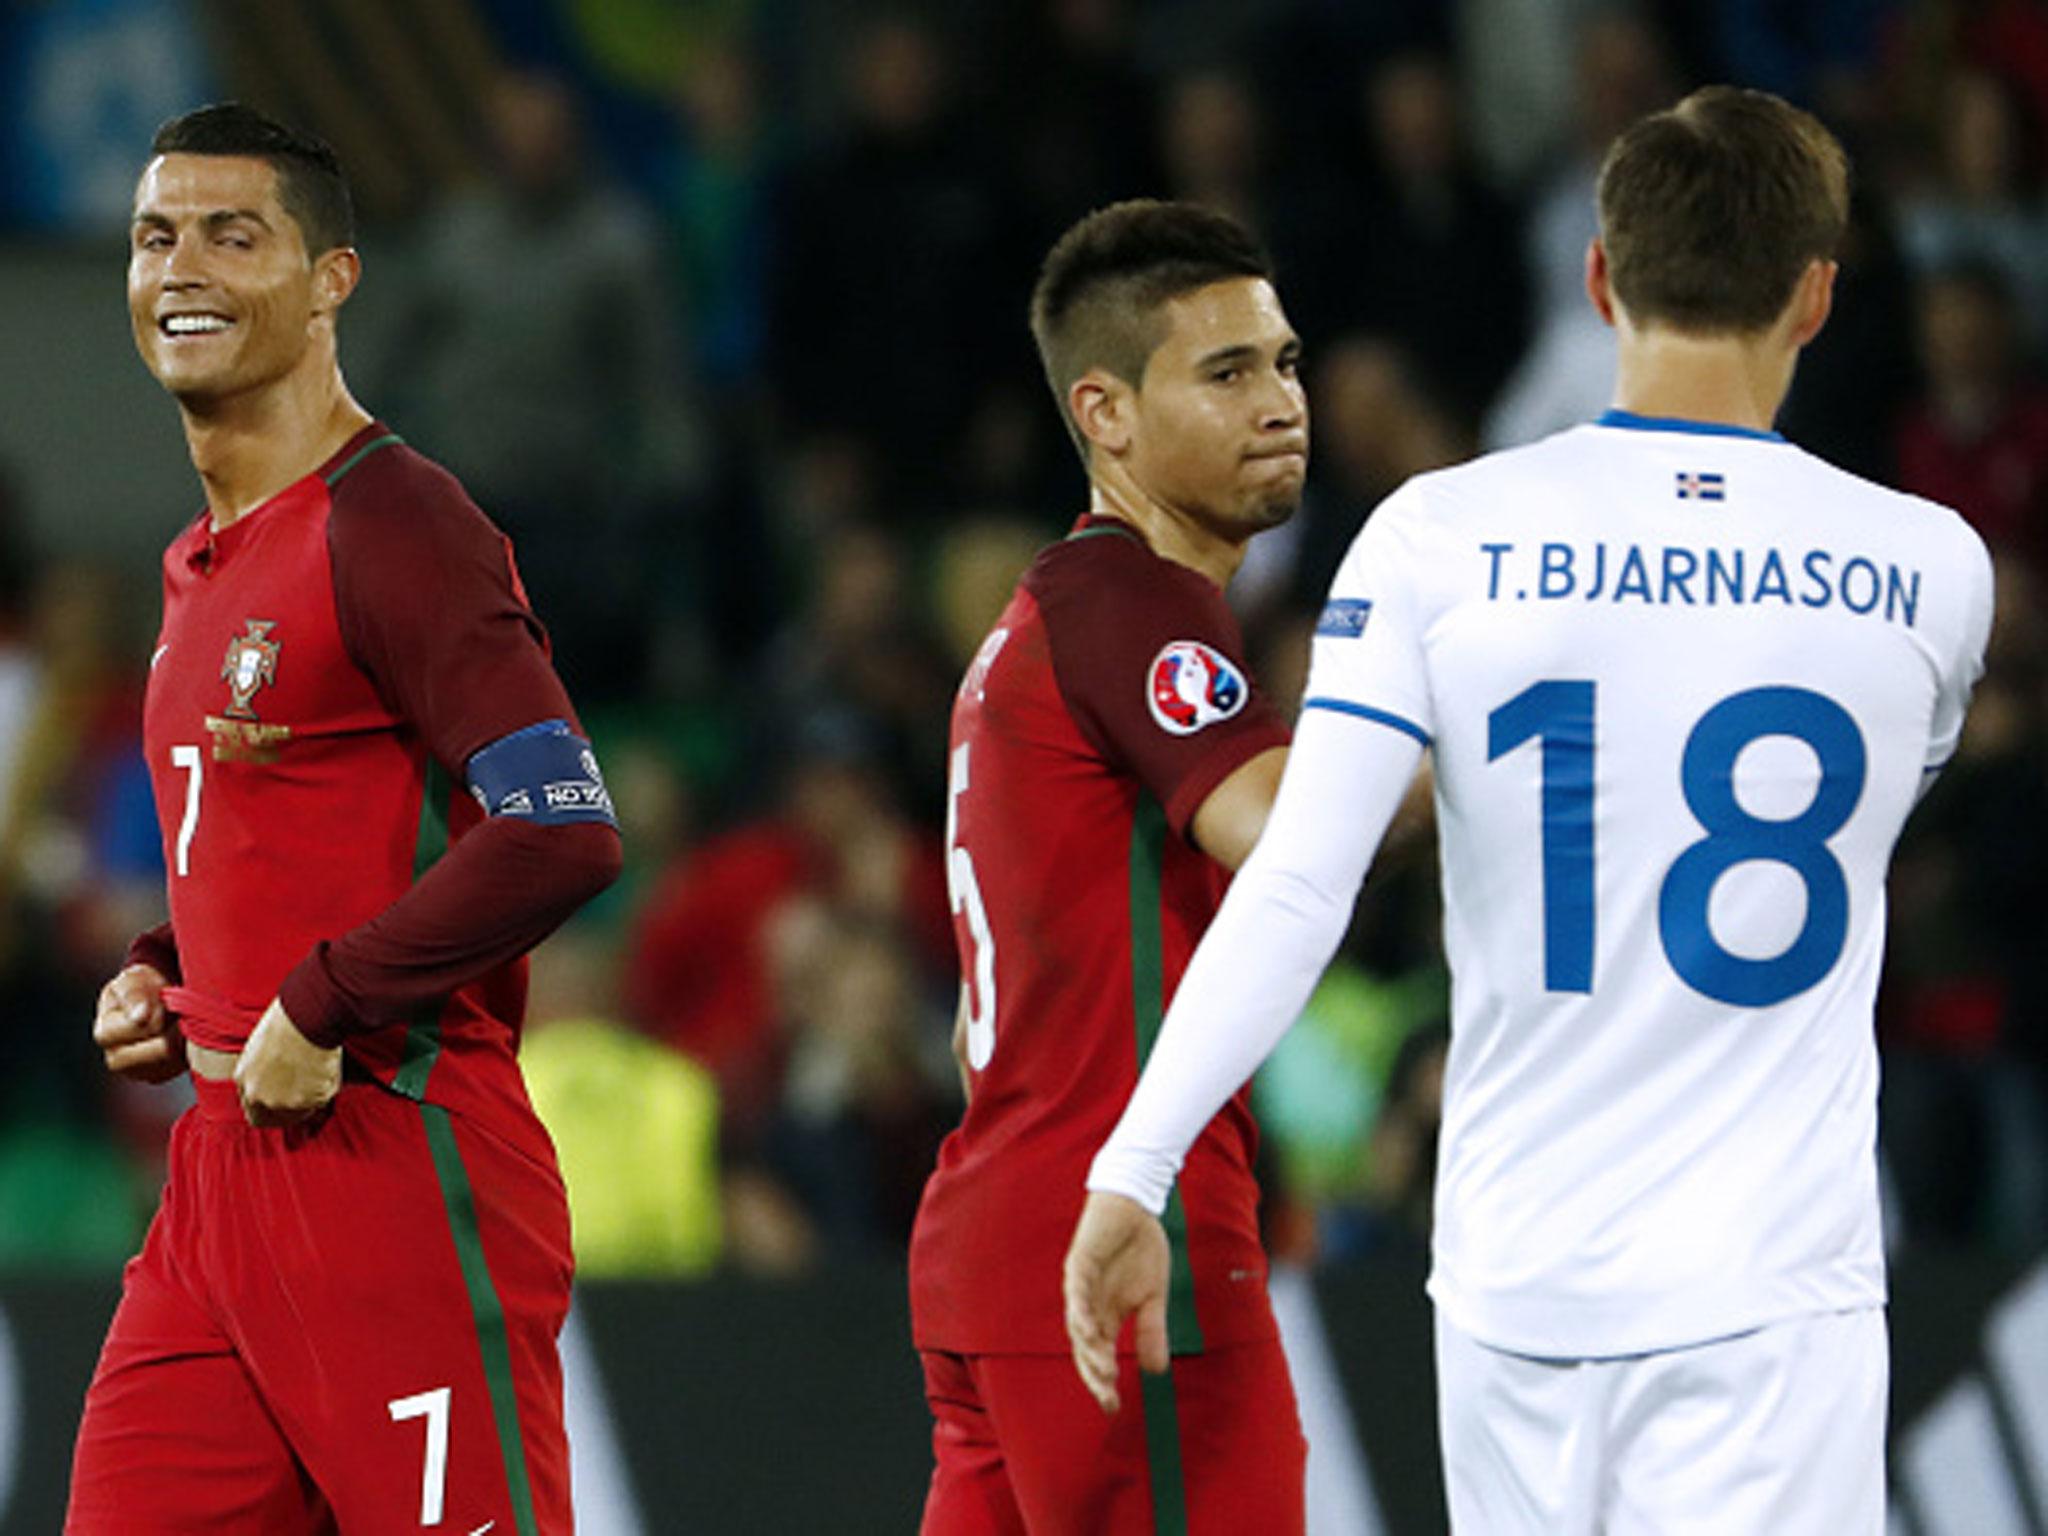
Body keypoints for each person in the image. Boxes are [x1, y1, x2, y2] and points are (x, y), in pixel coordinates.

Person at [1067, 87, 1995, 1535]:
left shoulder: (1440, 536)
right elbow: (1891, 800)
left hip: (1517, 1280)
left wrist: (1139, 1162)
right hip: (1772, 1290)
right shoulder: (1930, 566)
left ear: (1602, 278)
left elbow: (1304, 879)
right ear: (1817, 295)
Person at [69, 103, 622, 1534]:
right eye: (154, 236)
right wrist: (163, 969)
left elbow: (560, 824)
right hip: (217, 1186)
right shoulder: (200, 559)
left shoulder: (396, 523)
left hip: (396, 1158)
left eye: (232, 235)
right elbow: (277, 838)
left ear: (334, 280)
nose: (180, 267)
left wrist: (316, 1006)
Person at [908, 199, 1309, 1534]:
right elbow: (1280, 831)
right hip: (1126, 1235)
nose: (1279, 403)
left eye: (1287, 364)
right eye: (1228, 370)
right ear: (1107, 412)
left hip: (995, 1237)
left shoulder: (1054, 614)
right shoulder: (1130, 603)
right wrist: (1467, 738)